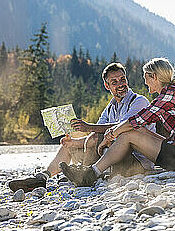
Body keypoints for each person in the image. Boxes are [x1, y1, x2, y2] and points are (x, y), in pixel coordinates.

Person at [60, 57, 175, 187]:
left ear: (154, 77)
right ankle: (90, 170)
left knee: (128, 134)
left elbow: (136, 121)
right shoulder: (173, 92)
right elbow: (140, 125)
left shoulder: (168, 96)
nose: (145, 82)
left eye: (146, 77)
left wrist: (111, 133)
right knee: (133, 131)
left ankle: (91, 174)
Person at [9, 62, 155, 192]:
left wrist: (88, 127)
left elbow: (122, 127)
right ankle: (42, 177)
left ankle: (84, 175)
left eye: (122, 79)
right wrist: (74, 142)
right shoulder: (111, 107)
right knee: (69, 144)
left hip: (137, 162)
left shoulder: (139, 101)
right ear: (107, 86)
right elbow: (99, 131)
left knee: (93, 136)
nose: (120, 84)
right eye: (114, 82)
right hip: (113, 157)